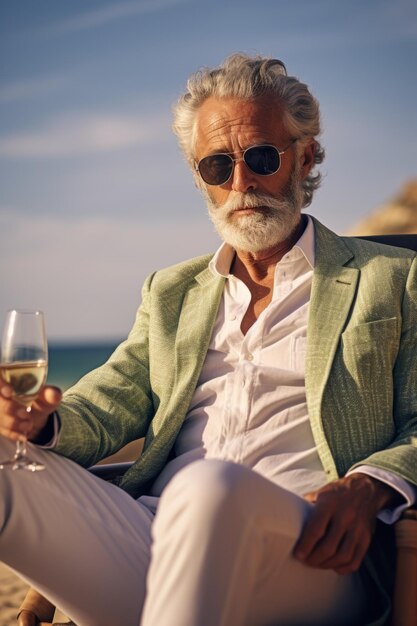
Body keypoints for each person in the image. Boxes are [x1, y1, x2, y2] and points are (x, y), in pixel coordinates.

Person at [1, 53, 417, 626]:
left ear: (306, 157)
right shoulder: (172, 290)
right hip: (150, 541)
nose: (240, 183)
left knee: (211, 487)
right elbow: (113, 398)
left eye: (262, 158)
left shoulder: (392, 279)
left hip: (314, 555)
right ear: (200, 177)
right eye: (218, 166)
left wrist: (370, 487)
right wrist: (38, 422)